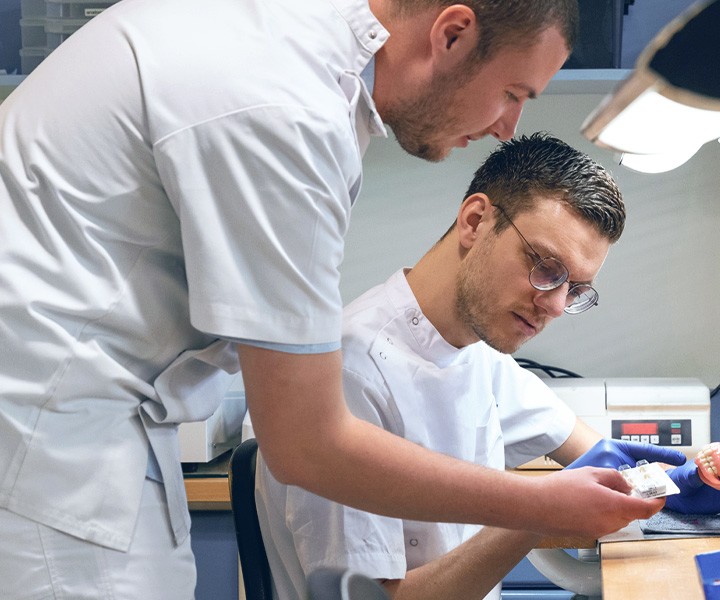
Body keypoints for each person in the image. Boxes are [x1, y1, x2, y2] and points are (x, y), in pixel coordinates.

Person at [0, 1, 655, 597]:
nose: (507, 127)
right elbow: (306, 442)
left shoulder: (307, 76)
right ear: (452, 34)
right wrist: (536, 509)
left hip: (83, 441)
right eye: (512, 93)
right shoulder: (286, 108)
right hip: (51, 452)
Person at [255, 133, 720, 600]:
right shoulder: (354, 369)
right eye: (544, 266)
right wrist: (535, 514)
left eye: (575, 288)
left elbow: (591, 456)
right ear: (476, 222)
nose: (557, 306)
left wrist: (673, 485)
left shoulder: (475, 347)